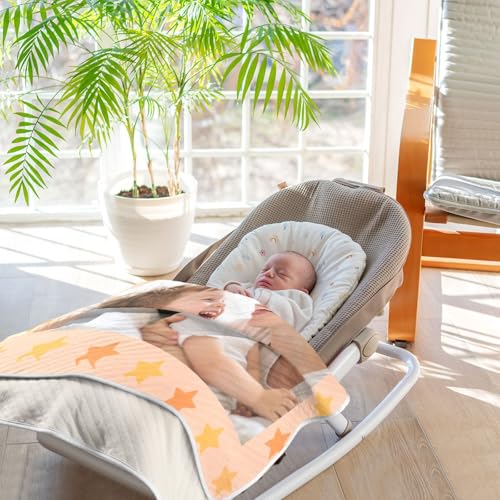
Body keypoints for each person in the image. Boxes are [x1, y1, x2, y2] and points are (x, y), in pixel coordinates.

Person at [168, 251, 317, 422]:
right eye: (265, 269)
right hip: (208, 328)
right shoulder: (248, 288)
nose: (269, 273)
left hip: (240, 343)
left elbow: (290, 317)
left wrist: (257, 297)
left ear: (301, 290)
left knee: (237, 369)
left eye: (281, 274)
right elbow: (218, 294)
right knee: (209, 356)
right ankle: (247, 397)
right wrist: (232, 288)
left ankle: (236, 402)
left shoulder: (296, 299)